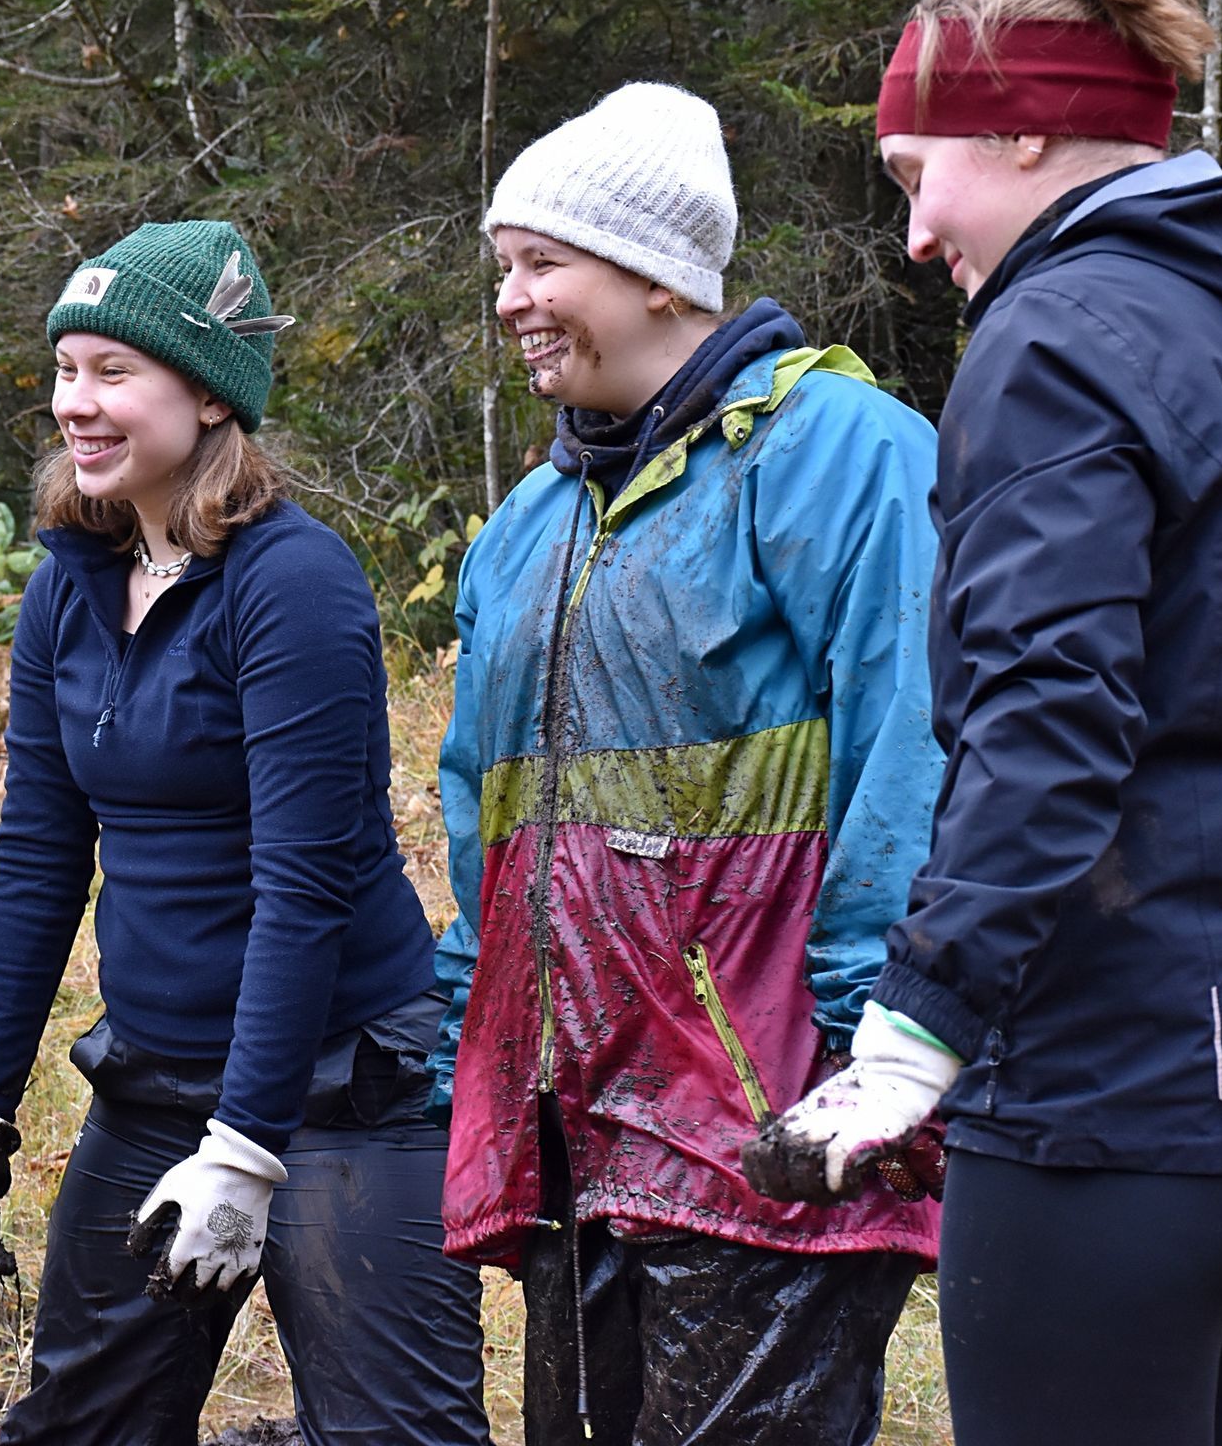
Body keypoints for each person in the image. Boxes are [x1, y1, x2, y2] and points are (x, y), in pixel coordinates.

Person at [744, 0, 1222, 1446]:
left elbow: (1050, 720)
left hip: (1131, 1105)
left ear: (1025, 132)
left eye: (920, 173)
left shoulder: (1055, 340)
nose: (918, 234)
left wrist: (914, 1029)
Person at [0, 220, 491, 1446]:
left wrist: (247, 1150)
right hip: (157, 1077)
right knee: (82, 1428)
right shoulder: (69, 584)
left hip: (341, 1081)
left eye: (114, 371)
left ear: (212, 393)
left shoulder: (294, 582)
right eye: (66, 369)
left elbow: (304, 887)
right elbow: (37, 858)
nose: (77, 402)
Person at [430, 83, 945, 1445]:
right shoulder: (530, 522)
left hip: (767, 1120)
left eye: (543, 263)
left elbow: (917, 745)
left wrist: (880, 1039)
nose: (510, 300)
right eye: (504, 267)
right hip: (574, 1125)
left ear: (659, 276)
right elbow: (485, 803)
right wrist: (464, 1023)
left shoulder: (840, 454)